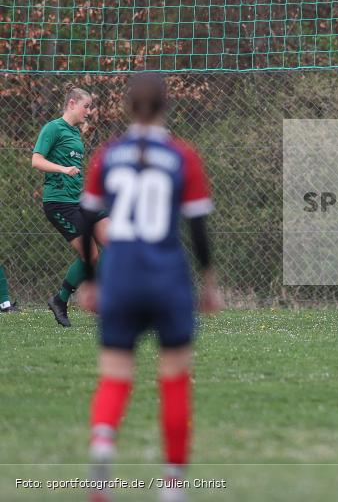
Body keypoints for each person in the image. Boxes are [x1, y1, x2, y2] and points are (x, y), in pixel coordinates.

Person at [79, 73, 222, 501]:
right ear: (165, 107)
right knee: (175, 376)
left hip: (120, 276)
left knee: (115, 374)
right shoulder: (182, 156)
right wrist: (209, 282)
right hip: (166, 278)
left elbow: (87, 221)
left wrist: (90, 281)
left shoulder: (107, 155)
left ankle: (103, 445)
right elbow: (198, 229)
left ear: (125, 108)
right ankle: (172, 485)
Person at [32, 84, 108, 327]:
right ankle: (60, 300)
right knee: (91, 254)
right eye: (86, 106)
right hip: (59, 203)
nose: (89, 111)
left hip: (81, 200)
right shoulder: (53, 129)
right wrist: (62, 169)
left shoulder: (76, 134)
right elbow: (36, 161)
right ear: (72, 103)